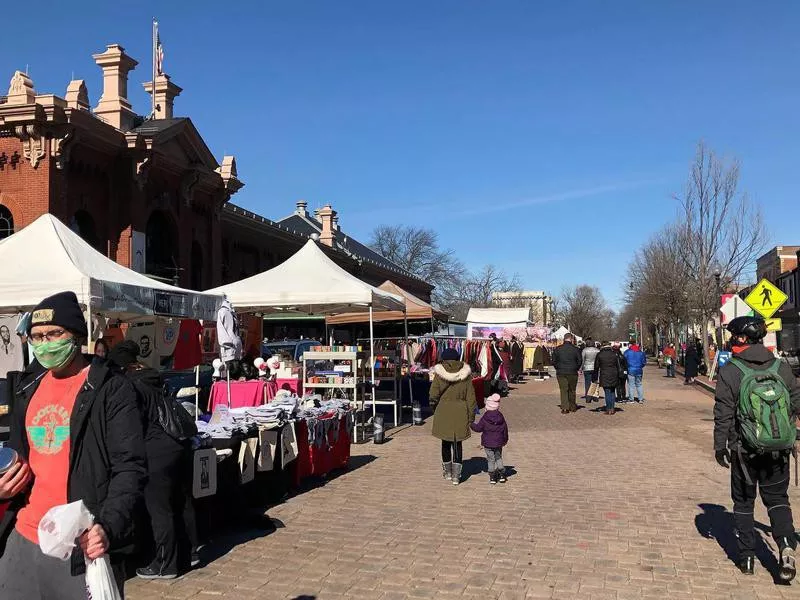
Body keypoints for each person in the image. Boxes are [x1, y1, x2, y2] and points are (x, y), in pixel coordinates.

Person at [0, 291, 146, 599]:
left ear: (77, 336)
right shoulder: (27, 388)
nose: (45, 343)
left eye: (55, 333)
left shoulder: (111, 388)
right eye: (37, 336)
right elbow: (15, 459)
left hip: (80, 544)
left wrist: (108, 525)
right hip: (24, 536)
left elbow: (130, 466)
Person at [713, 316, 799, 580]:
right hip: (778, 450)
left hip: (744, 450)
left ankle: (747, 557)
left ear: (740, 339)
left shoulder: (730, 370)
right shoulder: (780, 366)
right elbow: (795, 400)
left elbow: (723, 413)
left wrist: (720, 446)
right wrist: (785, 430)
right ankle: (785, 546)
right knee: (777, 500)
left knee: (743, 502)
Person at [107, 341, 193, 580]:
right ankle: (184, 557)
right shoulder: (153, 377)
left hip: (154, 450)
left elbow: (132, 425)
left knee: (159, 510)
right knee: (177, 505)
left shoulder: (130, 386)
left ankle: (165, 565)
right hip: (175, 444)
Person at [430, 347, 477, 486]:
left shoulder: (439, 374)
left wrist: (434, 406)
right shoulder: (466, 375)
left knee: (445, 442)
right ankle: (457, 475)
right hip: (460, 410)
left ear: (444, 359)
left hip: (444, 409)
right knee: (457, 443)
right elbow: (471, 397)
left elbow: (433, 394)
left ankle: (448, 472)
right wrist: (471, 416)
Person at [470, 393, 509, 484]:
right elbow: (505, 429)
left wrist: (471, 424)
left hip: (487, 443)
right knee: (498, 457)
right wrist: (505, 439)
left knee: (490, 459)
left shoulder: (485, 417)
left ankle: (492, 476)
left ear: (487, 406)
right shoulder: (500, 416)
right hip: (499, 442)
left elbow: (478, 428)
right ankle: (502, 474)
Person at [552, 334, 583, 414]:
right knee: (572, 390)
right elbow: (580, 361)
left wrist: (558, 368)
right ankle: (572, 406)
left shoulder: (558, 349)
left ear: (564, 339)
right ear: (571, 339)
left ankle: (565, 408)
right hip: (572, 372)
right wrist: (576, 368)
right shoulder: (576, 349)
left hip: (561, 372)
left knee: (563, 390)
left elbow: (553, 361)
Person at [595, 342, 621, 415]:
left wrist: (595, 377)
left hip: (604, 375)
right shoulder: (614, 354)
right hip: (614, 375)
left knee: (607, 392)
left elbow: (596, 367)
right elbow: (618, 366)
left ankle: (608, 409)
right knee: (612, 392)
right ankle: (612, 408)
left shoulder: (599, 354)